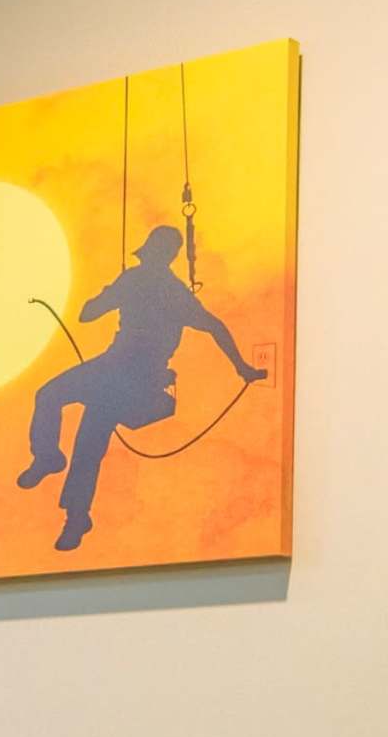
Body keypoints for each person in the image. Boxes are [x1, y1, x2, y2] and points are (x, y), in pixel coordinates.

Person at [19, 224, 268, 550]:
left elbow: (213, 326)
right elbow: (88, 314)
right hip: (112, 370)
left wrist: (242, 367)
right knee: (55, 403)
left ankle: (74, 512)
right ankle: (51, 463)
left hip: (134, 378)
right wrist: (242, 368)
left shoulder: (163, 289)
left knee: (83, 435)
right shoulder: (147, 284)